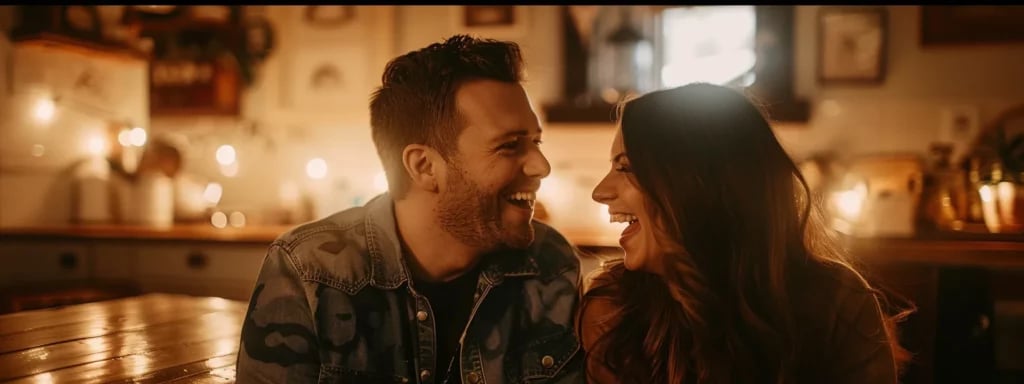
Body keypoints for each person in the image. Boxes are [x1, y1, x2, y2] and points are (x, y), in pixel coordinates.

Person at [236, 35, 584, 384]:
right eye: (509, 146)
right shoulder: (310, 269)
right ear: (424, 166)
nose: (542, 166)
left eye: (535, 142)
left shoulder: (550, 264)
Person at [580, 83, 914, 384]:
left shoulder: (838, 302)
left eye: (626, 167)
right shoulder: (611, 309)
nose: (600, 191)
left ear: (700, 184)